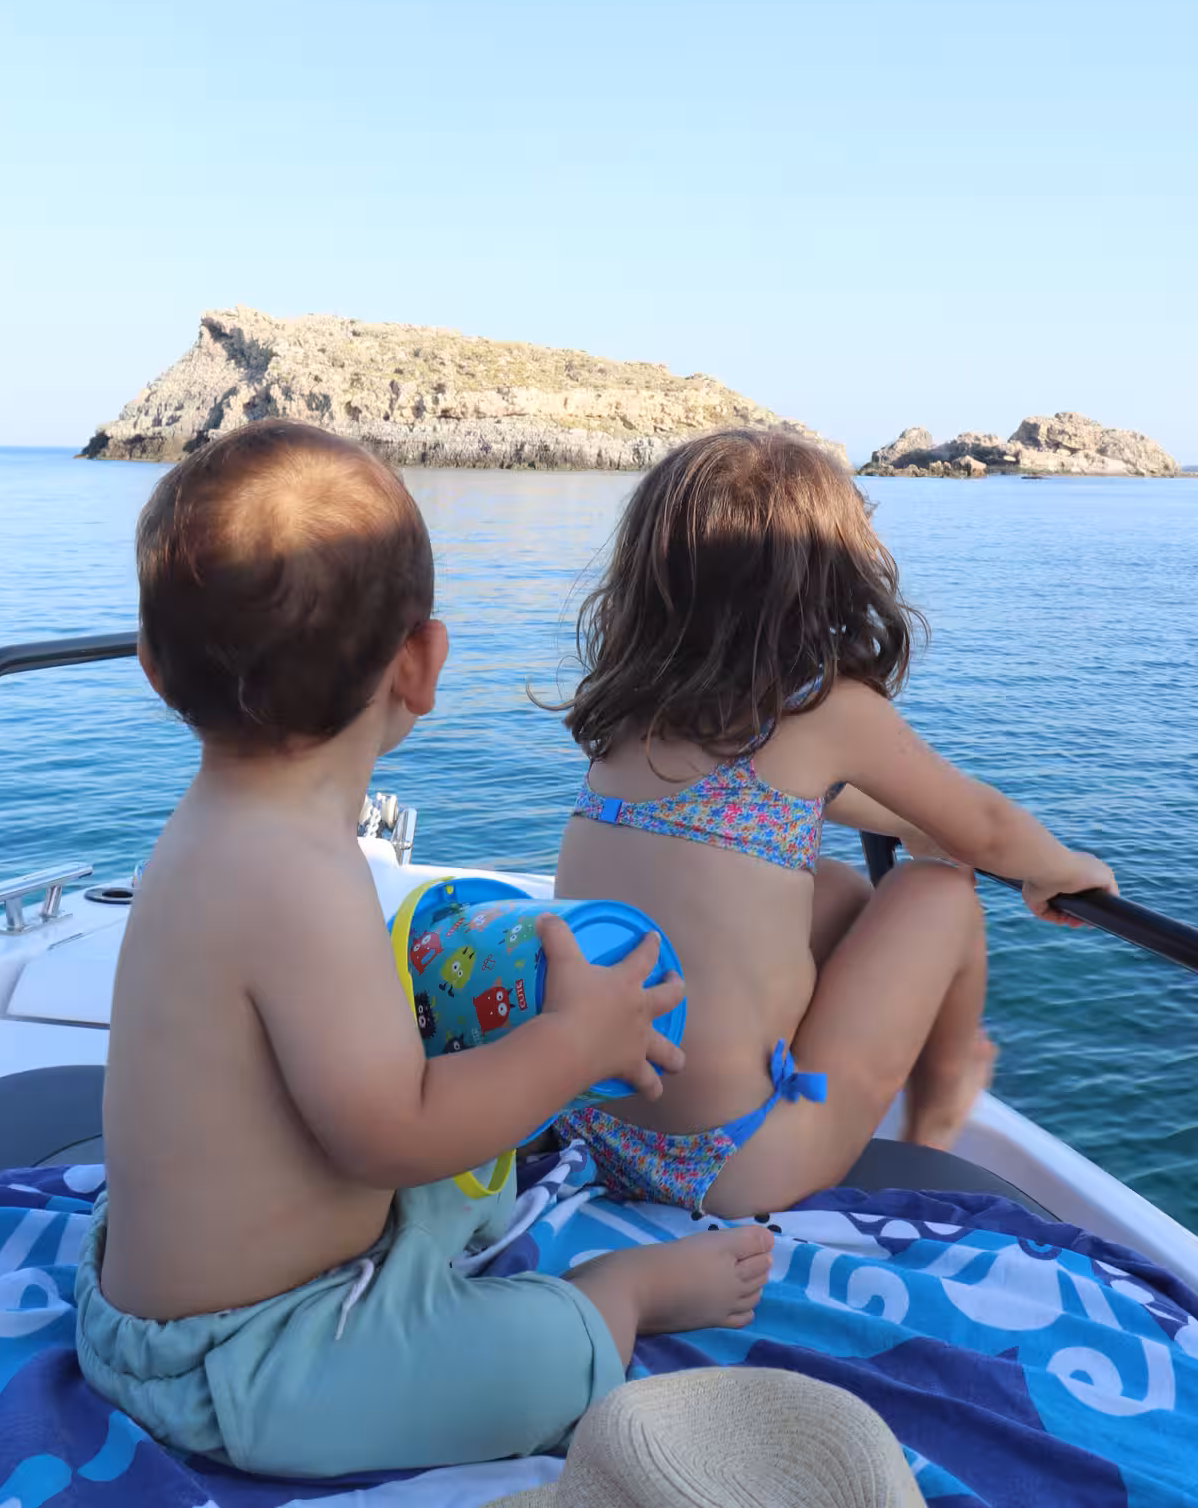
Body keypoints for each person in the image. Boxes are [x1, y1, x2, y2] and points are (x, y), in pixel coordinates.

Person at [74, 419, 772, 1480]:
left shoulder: (218, 833)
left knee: (459, 1155)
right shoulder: (298, 879)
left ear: (154, 669)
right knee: (537, 1360)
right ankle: (616, 1303)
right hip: (242, 1362)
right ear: (422, 664)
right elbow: (390, 1140)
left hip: (190, 1289)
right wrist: (578, 1043)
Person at [549, 429, 1117, 1218]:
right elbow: (985, 829)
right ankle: (942, 1108)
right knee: (938, 891)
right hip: (732, 1167)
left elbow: (781, 805)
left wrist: (913, 822)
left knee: (843, 890)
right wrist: (1060, 868)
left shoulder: (633, 717)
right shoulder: (828, 711)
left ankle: (791, 1056)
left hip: (593, 1128)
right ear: (828, 577)